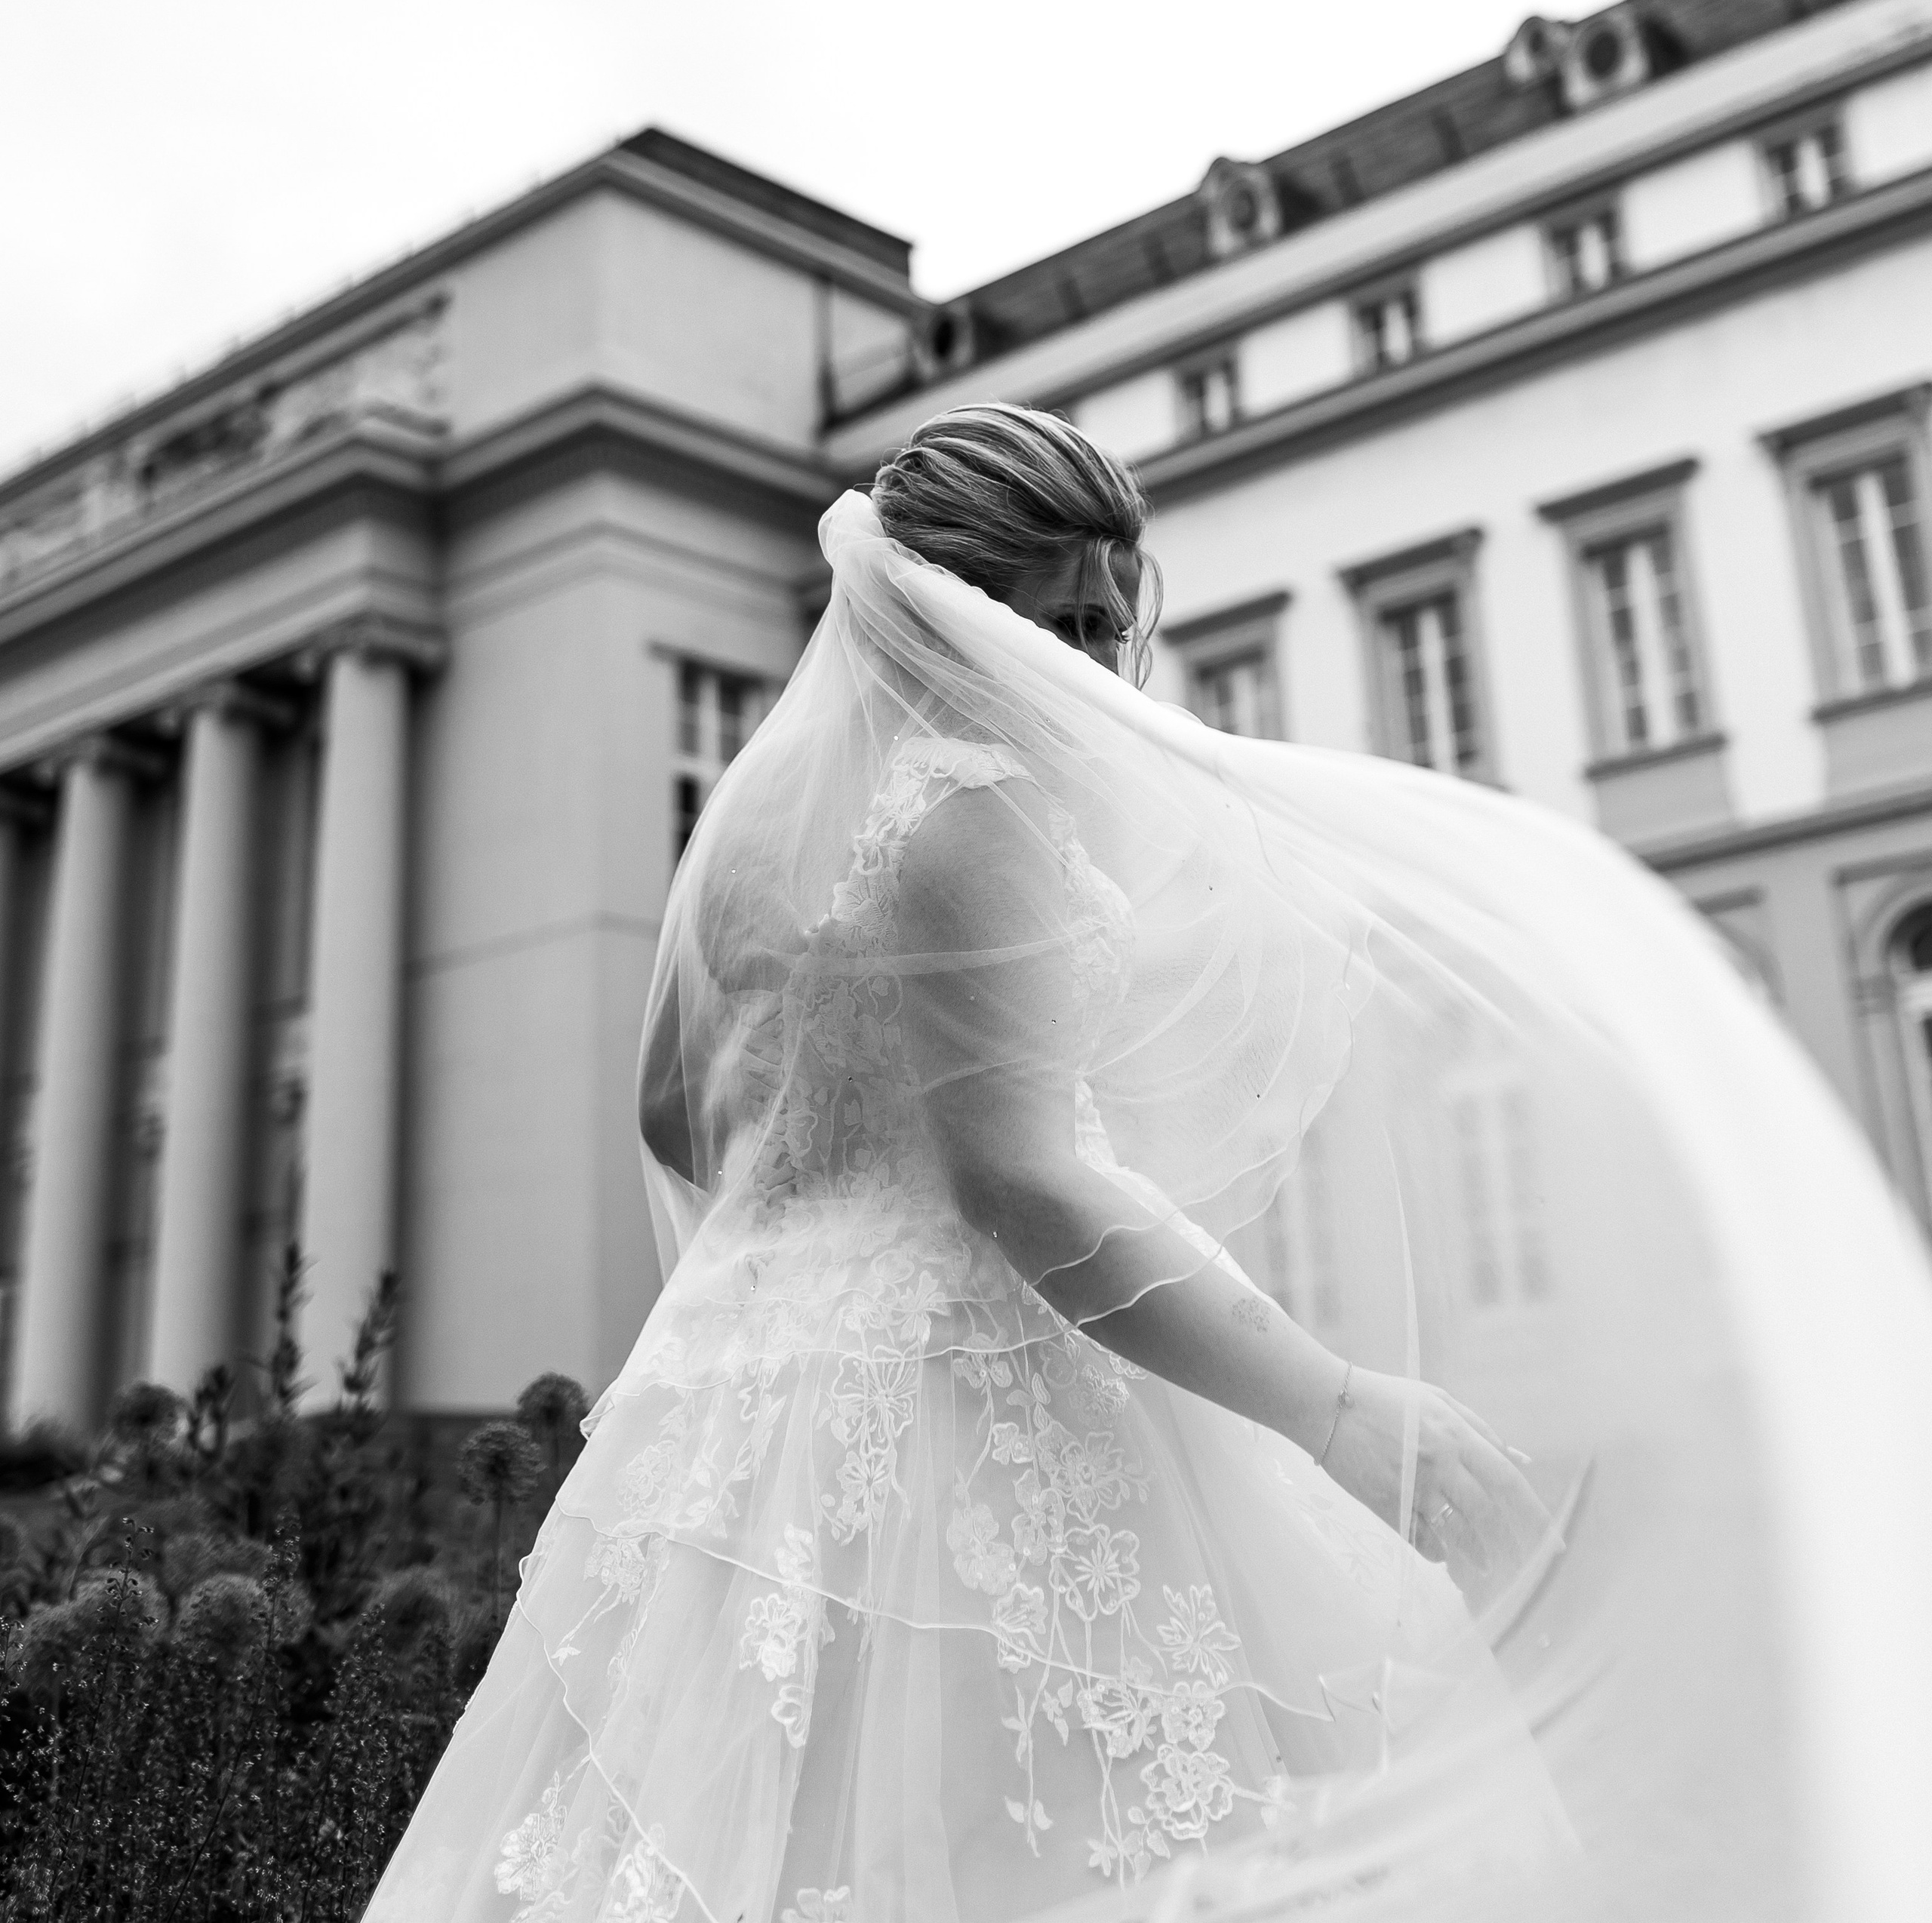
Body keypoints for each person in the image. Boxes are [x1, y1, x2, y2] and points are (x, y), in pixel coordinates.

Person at [369, 404, 1932, 1923]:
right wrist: (1335, 1405)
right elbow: (1023, 1189)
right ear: (931, 608)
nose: (1080, 667)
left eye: (1102, 625)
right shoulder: (971, 810)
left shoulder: (765, 812)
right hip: (961, 1393)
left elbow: (670, 1108)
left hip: (739, 1399)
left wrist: (825, 1207)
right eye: (1047, 619)